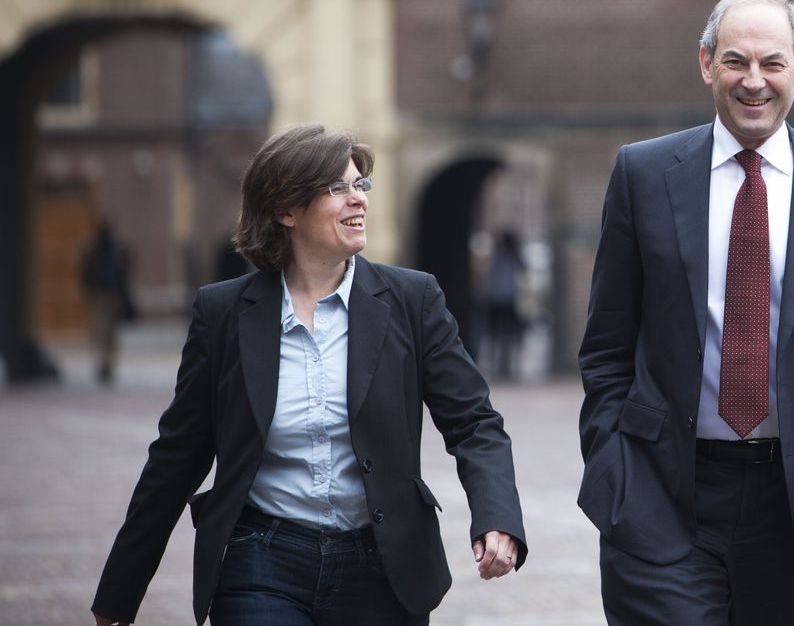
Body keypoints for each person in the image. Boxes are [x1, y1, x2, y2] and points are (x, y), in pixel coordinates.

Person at [577, 0, 794, 625]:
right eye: (736, 61)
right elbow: (607, 343)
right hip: (661, 495)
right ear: (706, 64)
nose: (754, 81)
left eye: (773, 62)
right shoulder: (643, 174)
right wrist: (613, 466)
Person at [92, 125, 527, 626]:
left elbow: (473, 421)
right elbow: (178, 455)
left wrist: (497, 517)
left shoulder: (413, 300)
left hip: (383, 568)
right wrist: (119, 594)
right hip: (261, 559)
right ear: (286, 211)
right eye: (337, 188)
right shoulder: (225, 314)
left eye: (360, 185)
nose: (358, 200)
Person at [80, 218, 133, 385]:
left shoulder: (117, 249)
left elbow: (125, 271)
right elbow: (85, 272)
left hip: (113, 295)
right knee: (102, 330)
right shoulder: (94, 250)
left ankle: (109, 362)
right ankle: (103, 362)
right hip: (100, 296)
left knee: (111, 332)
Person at [485, 231, 526, 379]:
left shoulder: (506, 257)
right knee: (501, 335)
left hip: (503, 300)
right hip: (504, 300)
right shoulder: (502, 257)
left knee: (504, 335)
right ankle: (501, 367)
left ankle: (505, 366)